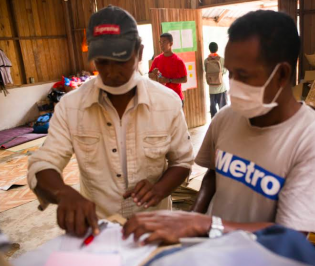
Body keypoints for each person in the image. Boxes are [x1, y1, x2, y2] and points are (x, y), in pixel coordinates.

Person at [122, 10, 315, 245]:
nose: (233, 84)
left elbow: (289, 236)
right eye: (230, 72)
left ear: (281, 74)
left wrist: (206, 225)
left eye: (244, 75)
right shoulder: (227, 118)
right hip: (209, 249)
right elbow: (213, 174)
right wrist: (193, 218)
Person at [27, 6, 194, 237]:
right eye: (103, 62)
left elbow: (182, 161)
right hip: (99, 230)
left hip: (154, 226)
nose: (112, 72)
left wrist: (159, 188)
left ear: (140, 52)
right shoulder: (71, 106)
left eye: (122, 60)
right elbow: (42, 164)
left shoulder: (167, 102)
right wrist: (64, 193)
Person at [149, 33, 187, 106]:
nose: (161, 44)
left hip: (176, 98)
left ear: (171, 43)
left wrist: (169, 80)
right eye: (160, 42)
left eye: (164, 42)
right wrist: (153, 73)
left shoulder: (178, 61)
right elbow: (149, 75)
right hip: (161, 98)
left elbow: (184, 79)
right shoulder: (157, 59)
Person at [204, 42, 228, 118]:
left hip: (211, 89)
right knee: (223, 110)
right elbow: (224, 71)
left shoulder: (206, 61)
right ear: (217, 49)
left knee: (213, 112)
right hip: (221, 88)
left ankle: (214, 126)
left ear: (209, 49)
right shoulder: (221, 59)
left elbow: (206, 71)